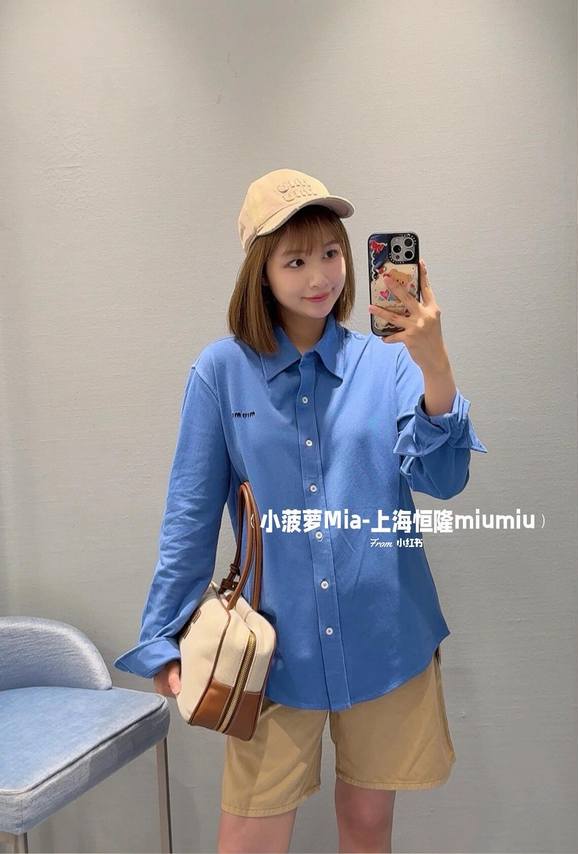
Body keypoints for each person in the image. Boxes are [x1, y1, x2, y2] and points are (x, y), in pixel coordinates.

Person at [113, 168, 488, 853]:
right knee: (250, 835)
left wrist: (435, 365)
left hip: (385, 639)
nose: (320, 276)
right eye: (295, 261)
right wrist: (165, 635)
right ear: (261, 272)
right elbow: (191, 513)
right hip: (273, 653)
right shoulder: (221, 373)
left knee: (368, 826)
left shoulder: (389, 362)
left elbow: (444, 477)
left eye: (331, 253)